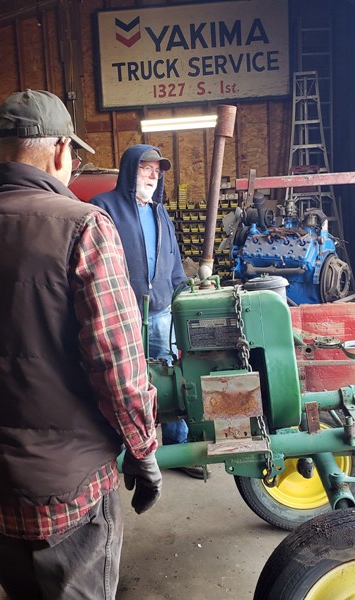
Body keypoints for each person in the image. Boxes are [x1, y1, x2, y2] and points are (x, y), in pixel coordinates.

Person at [0, 90, 162, 600]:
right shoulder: (84, 226)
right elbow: (119, 367)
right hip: (71, 482)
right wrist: (144, 449)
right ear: (61, 151)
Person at [90, 144, 209, 479]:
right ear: (130, 171)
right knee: (122, 384)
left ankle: (176, 449)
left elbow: (172, 262)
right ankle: (123, 453)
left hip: (159, 315)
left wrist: (183, 292)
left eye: (157, 172)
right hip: (121, 316)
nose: (152, 177)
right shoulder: (103, 207)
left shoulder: (160, 213)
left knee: (171, 380)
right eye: (146, 169)